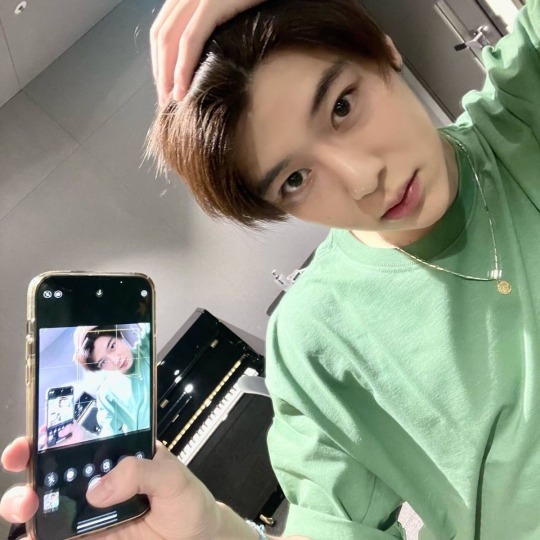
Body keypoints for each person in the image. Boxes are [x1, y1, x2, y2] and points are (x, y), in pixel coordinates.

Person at [2, 0, 540, 538]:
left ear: (383, 47)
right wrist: (207, 530)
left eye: (342, 106)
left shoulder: (525, 107)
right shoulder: (317, 338)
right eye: (295, 180)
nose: (362, 180)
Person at [73, 324, 151, 437]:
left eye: (112, 346)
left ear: (120, 336)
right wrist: (82, 436)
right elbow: (109, 436)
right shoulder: (106, 395)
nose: (115, 360)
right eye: (103, 362)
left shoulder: (147, 345)